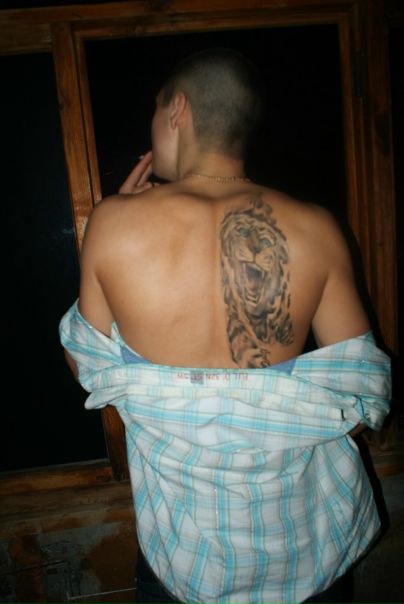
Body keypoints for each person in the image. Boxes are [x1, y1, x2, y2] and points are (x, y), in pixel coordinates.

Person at [60, 48, 391, 604]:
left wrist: (120, 214)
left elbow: (85, 368)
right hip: (308, 550)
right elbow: (362, 398)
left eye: (156, 111)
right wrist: (266, 427)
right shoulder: (316, 228)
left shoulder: (113, 224)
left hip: (183, 557)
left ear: (177, 110)